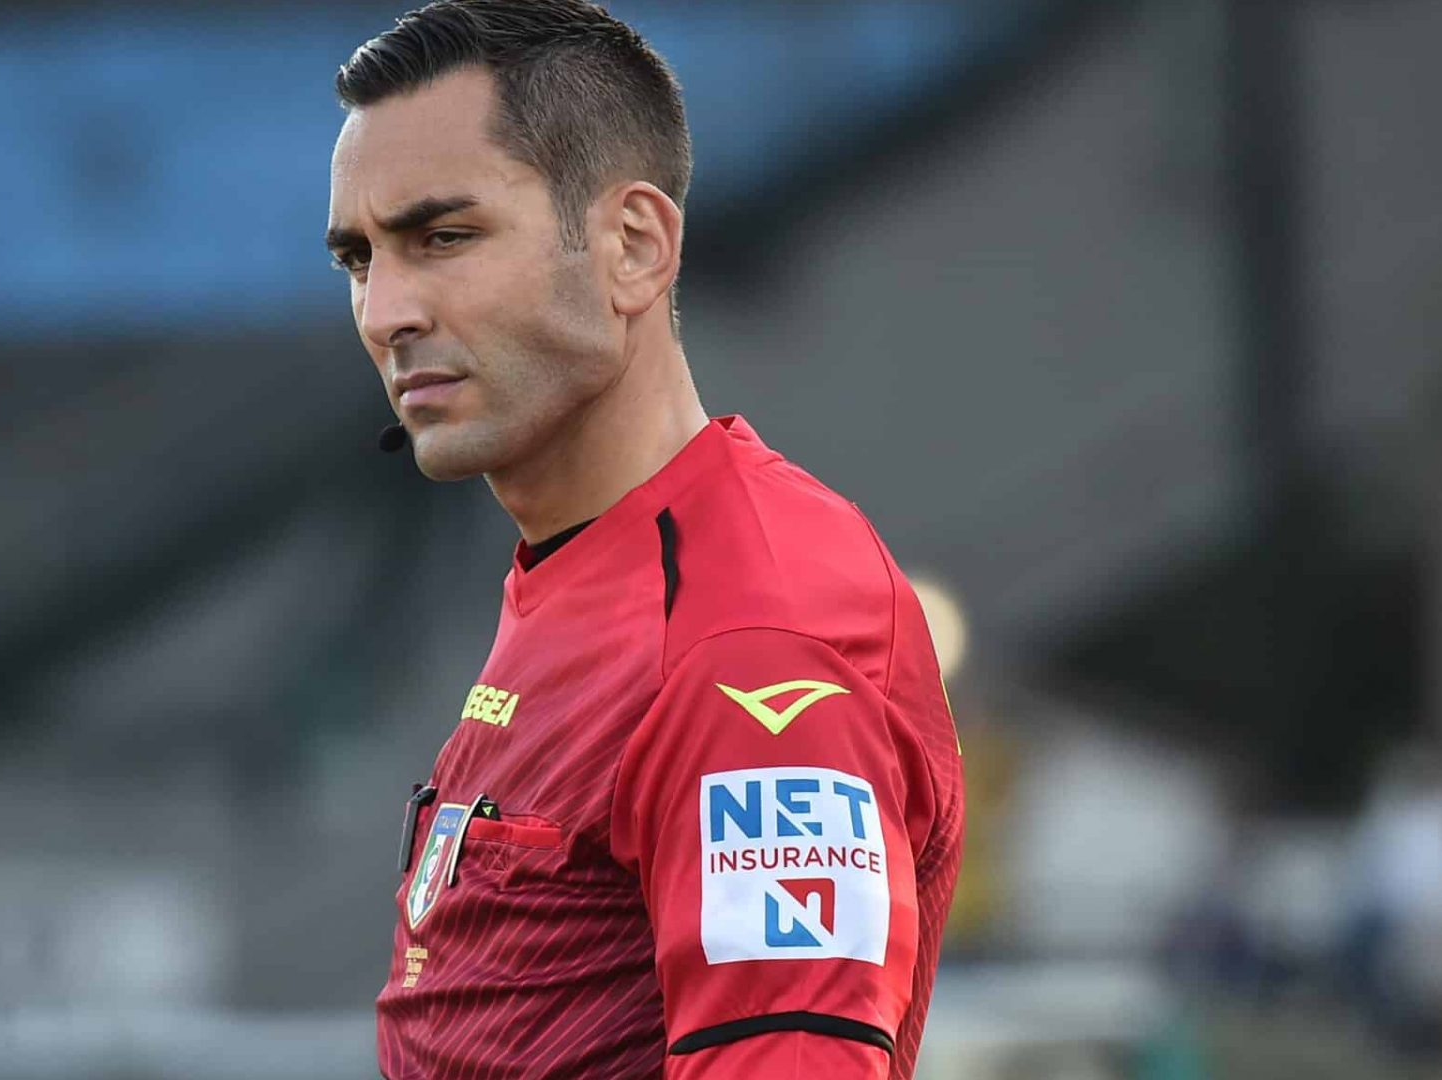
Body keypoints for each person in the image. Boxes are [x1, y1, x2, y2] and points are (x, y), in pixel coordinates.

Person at [324, 2, 964, 1076]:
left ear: (633, 247)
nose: (387, 309)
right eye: (359, 258)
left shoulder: (749, 637)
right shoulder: (583, 563)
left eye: (445, 237)